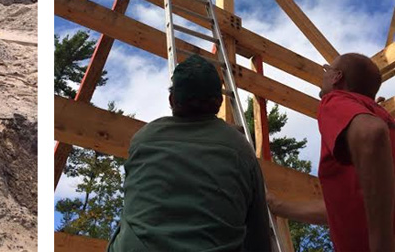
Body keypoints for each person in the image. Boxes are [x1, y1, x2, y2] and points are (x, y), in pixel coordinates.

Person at [107, 55, 272, 251]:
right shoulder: (239, 147)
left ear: (172, 99)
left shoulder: (144, 138)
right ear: (219, 101)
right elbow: (259, 233)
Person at [267, 53, 394, 252]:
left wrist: (382, 245)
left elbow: (371, 134)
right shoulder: (385, 120)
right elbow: (343, 210)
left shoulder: (335, 100)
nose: (323, 74)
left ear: (337, 77)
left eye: (327, 70)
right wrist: (278, 206)